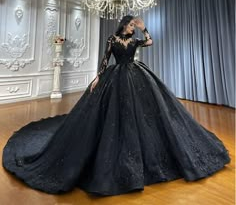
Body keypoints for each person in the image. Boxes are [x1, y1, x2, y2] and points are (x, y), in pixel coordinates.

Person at [2, 15, 230, 196]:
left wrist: (143, 28)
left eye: (134, 25)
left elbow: (150, 42)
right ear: (123, 25)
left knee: (145, 114)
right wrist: (98, 77)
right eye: (131, 25)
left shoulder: (135, 39)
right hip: (115, 76)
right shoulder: (112, 39)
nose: (132, 27)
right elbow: (105, 59)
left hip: (136, 75)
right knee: (114, 113)